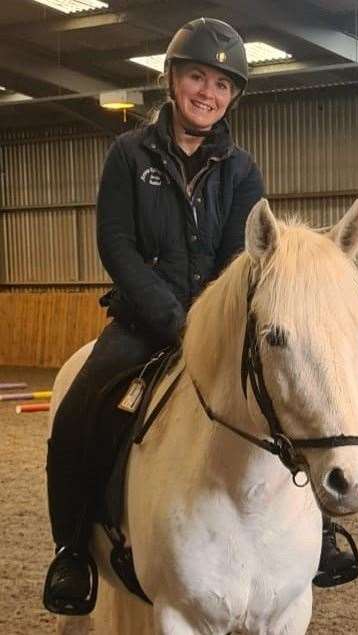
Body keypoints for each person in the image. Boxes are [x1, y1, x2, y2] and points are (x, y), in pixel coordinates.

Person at [42, 17, 267, 616]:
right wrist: (173, 318)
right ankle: (71, 551)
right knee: (80, 407)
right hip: (142, 325)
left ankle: (316, 539)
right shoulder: (128, 153)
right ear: (172, 80)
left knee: (283, 400)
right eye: (197, 76)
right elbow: (115, 245)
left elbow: (239, 259)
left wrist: (208, 322)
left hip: (216, 328)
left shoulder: (241, 170)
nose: (208, 93)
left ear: (232, 97)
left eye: (222, 85)